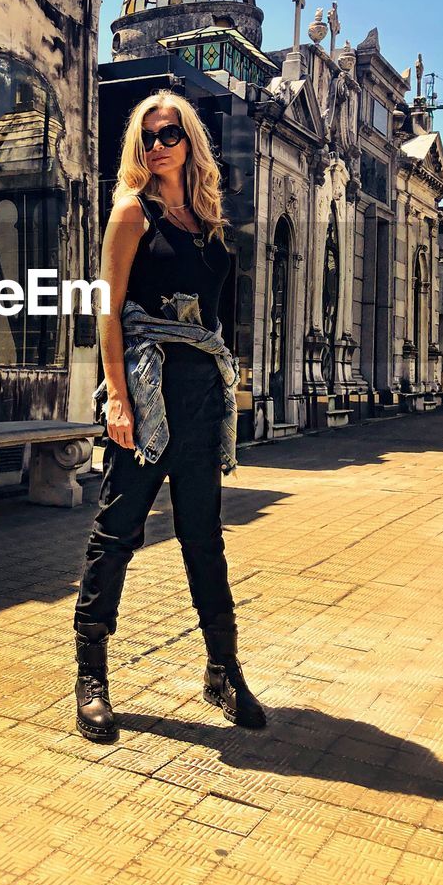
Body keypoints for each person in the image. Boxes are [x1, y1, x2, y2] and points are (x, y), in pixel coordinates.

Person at [73, 90, 266, 740]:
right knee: (118, 531)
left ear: (190, 143)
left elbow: (217, 323)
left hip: (201, 399)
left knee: (204, 538)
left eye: (170, 134)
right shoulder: (133, 213)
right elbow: (110, 311)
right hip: (147, 395)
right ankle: (91, 676)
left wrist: (227, 400)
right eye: (149, 136)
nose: (158, 145)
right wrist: (119, 397)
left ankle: (224, 671)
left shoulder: (212, 224)